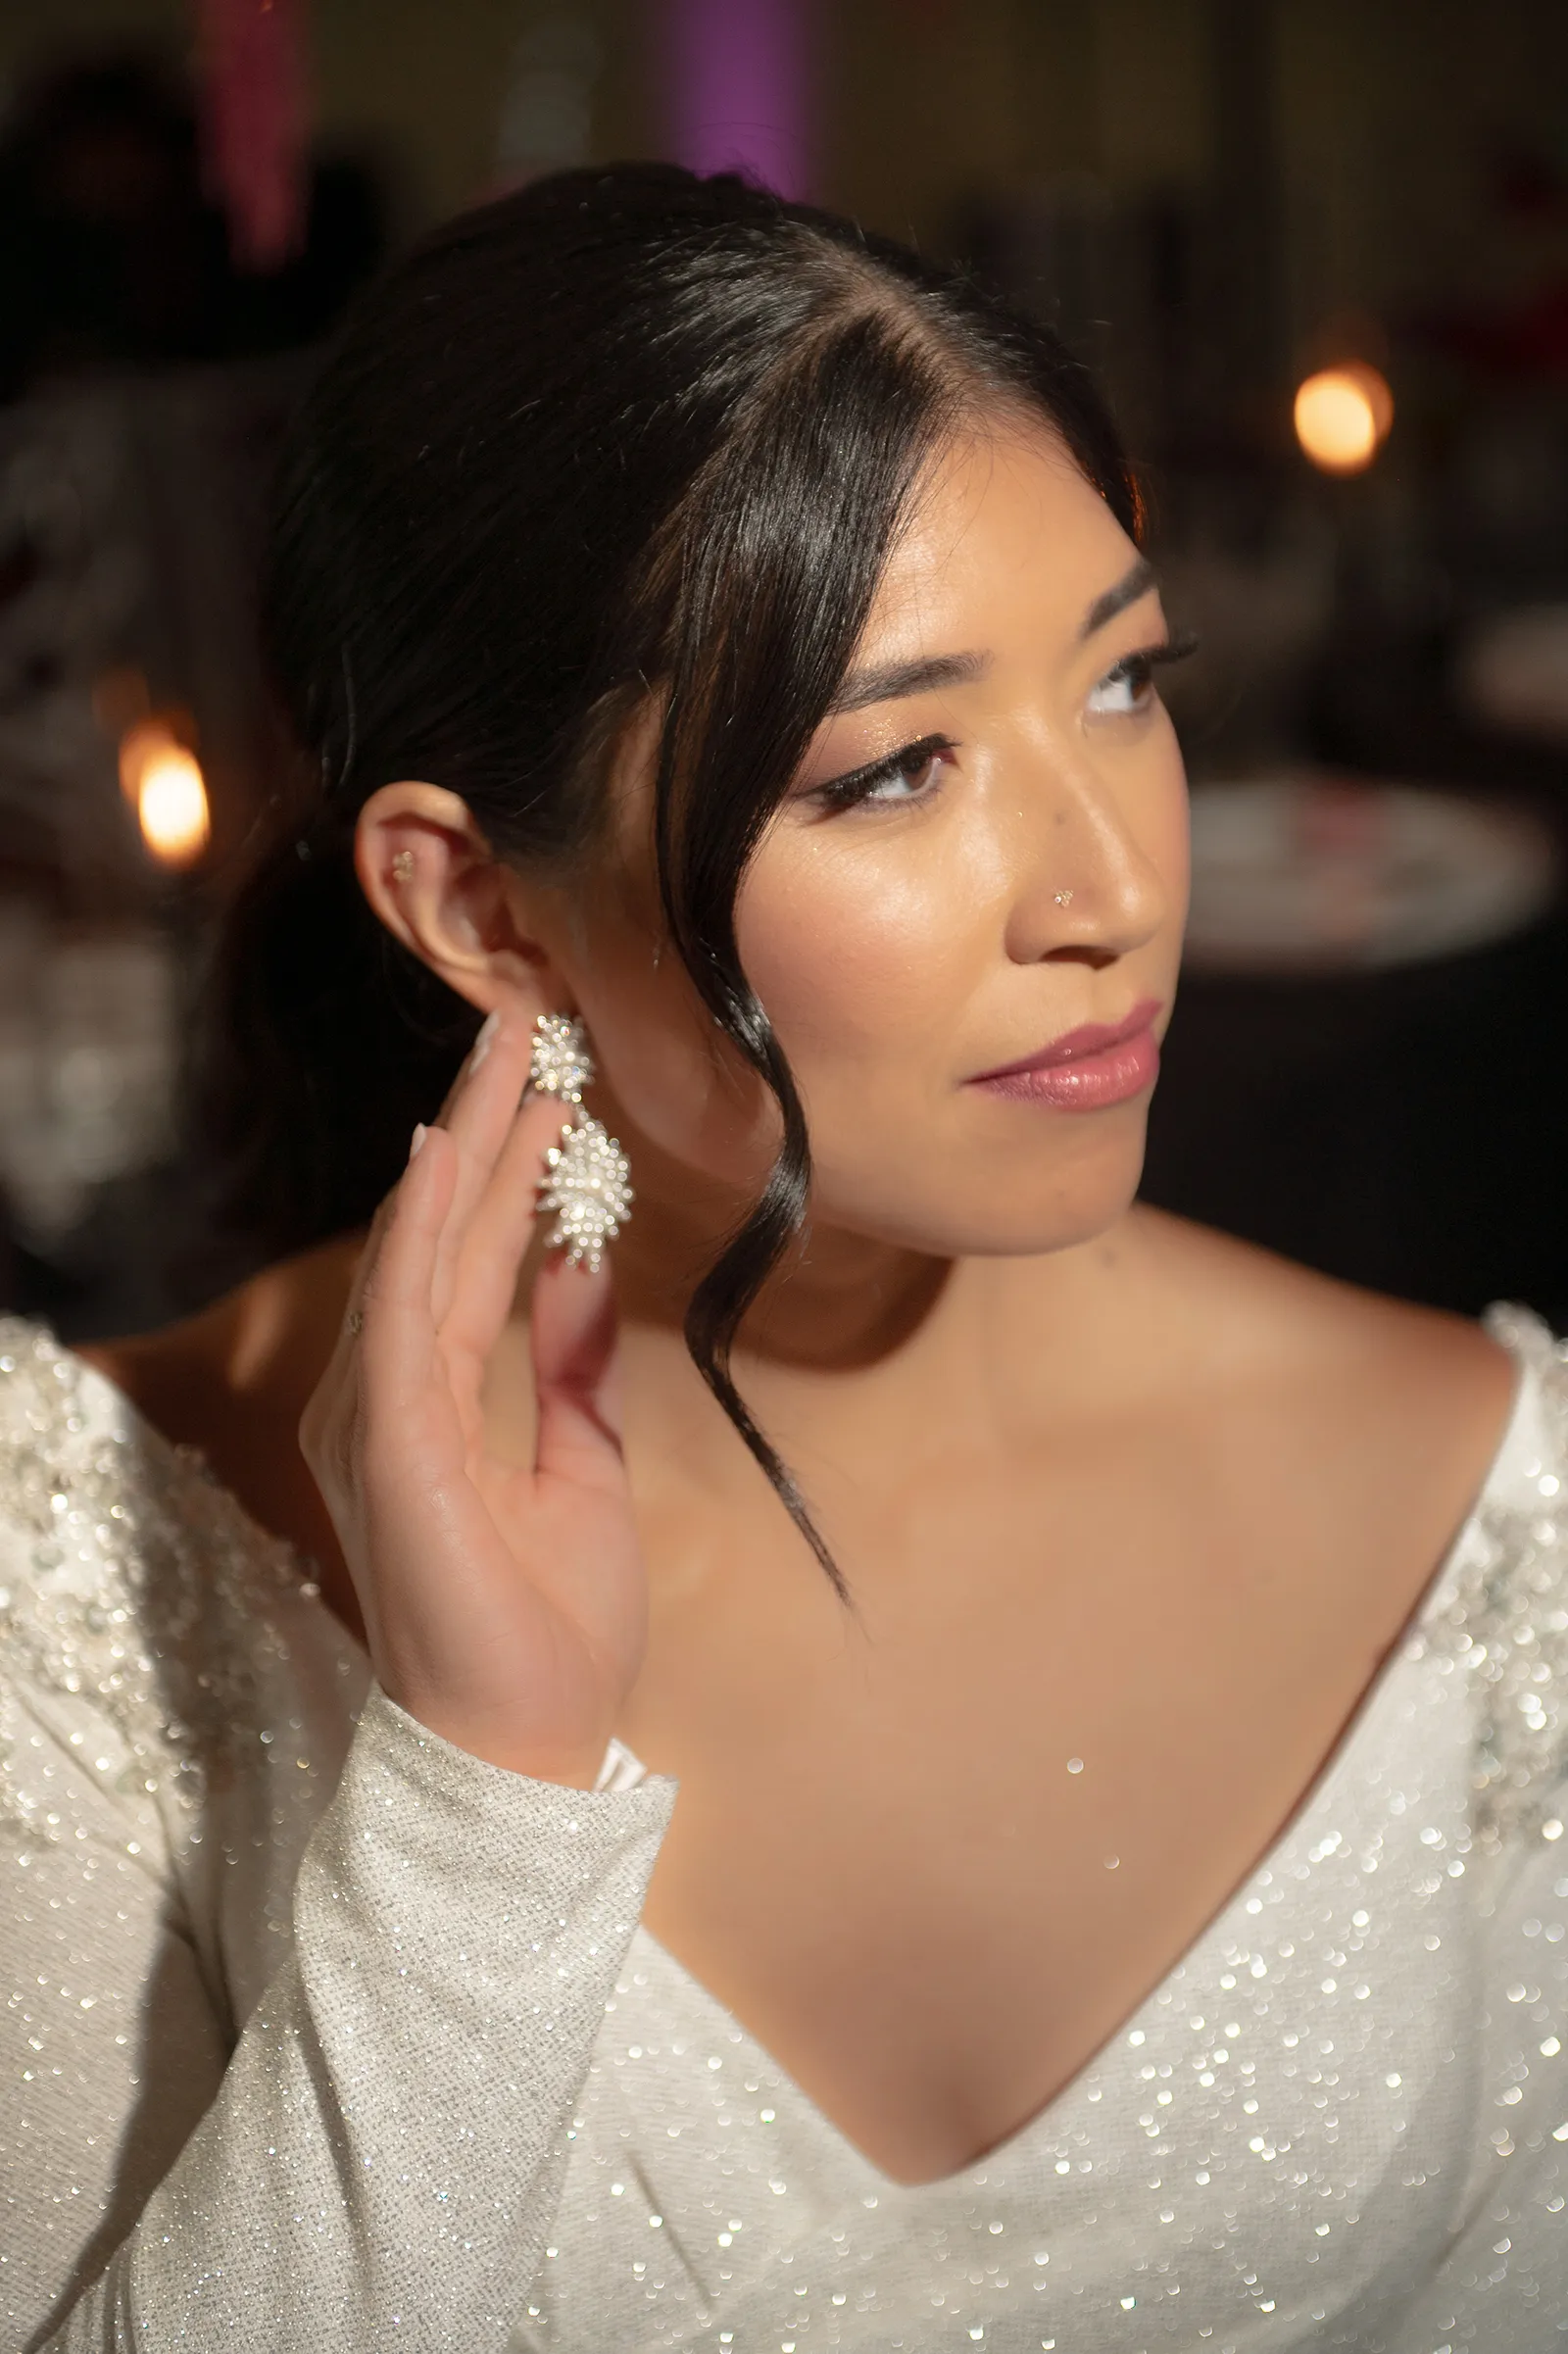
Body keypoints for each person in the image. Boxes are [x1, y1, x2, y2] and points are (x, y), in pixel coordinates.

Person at [1, 165, 1562, 2351]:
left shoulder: (1489, 1497)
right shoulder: (72, 1580)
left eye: (1124, 683)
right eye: (898, 767)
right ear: (479, 907)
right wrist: (475, 1799)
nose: (1112, 887)